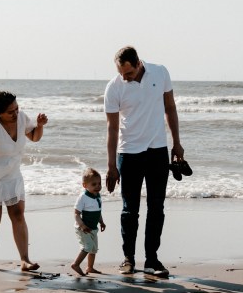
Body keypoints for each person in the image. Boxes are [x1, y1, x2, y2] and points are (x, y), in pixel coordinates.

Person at [104, 45, 184, 277]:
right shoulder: (114, 87)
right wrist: (111, 166)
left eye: (128, 72)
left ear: (138, 63)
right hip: (128, 153)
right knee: (130, 210)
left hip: (158, 150)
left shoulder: (160, 72)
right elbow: (112, 128)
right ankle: (128, 259)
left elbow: (170, 108)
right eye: (121, 73)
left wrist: (176, 143)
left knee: (156, 208)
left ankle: (152, 260)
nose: (124, 77)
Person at [0, 91, 48, 272]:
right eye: (10, 111)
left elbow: (34, 137)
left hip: (14, 175)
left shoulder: (21, 118)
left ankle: (25, 260)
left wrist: (39, 125)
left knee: (18, 215)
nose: (15, 113)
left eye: (17, 109)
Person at [71, 167, 106, 276]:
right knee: (87, 247)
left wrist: (101, 222)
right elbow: (76, 213)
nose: (98, 186)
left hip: (93, 228)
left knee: (93, 249)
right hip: (83, 228)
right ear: (85, 185)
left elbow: (98, 211)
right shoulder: (83, 197)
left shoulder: (98, 196)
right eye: (94, 184)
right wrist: (82, 225)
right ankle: (76, 264)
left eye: (99, 183)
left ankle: (90, 267)